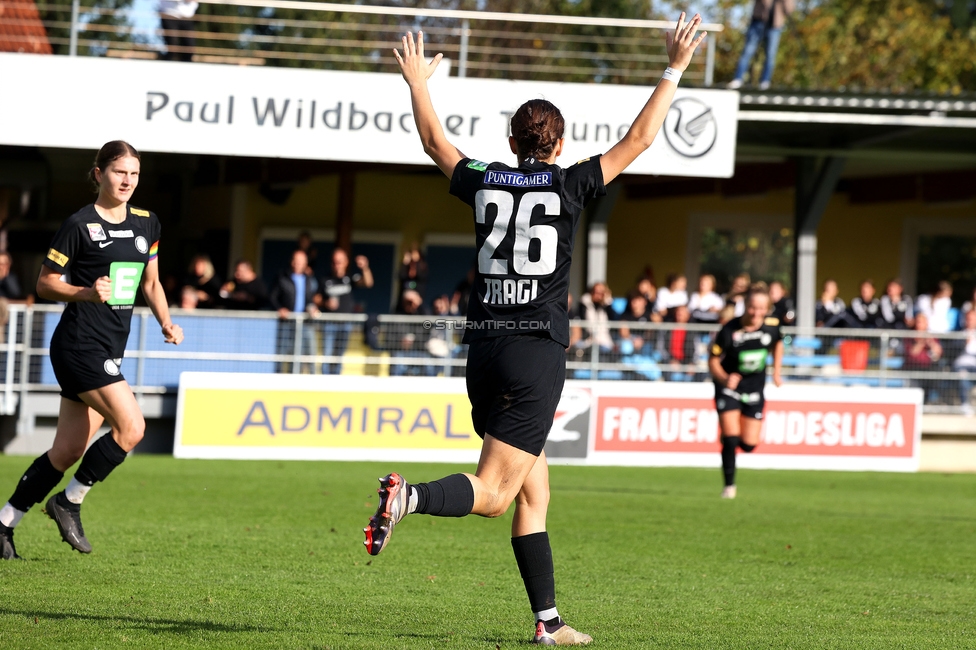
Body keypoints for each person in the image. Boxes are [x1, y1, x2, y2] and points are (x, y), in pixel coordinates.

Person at [363, 17, 706, 646]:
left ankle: (548, 623)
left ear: (512, 140)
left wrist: (416, 81)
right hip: (535, 353)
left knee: (532, 492)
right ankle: (406, 497)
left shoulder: (488, 179)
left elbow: (435, 142)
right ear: (559, 143)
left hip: (484, 349)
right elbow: (641, 138)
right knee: (495, 493)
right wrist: (675, 66)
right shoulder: (571, 183)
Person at [0, 141, 184, 560]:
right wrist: (85, 291)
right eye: (120, 172)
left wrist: (166, 322)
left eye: (134, 174)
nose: (127, 181)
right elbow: (45, 284)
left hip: (108, 347)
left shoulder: (147, 223)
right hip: (78, 344)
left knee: (67, 450)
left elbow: (151, 283)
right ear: (99, 172)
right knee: (132, 427)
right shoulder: (79, 224)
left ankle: (4, 521)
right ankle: (69, 502)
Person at [709, 283, 783, 500]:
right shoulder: (729, 330)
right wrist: (725, 378)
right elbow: (712, 360)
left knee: (749, 445)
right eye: (752, 308)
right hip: (729, 388)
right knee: (731, 438)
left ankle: (731, 442)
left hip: (755, 389)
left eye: (761, 308)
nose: (756, 313)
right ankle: (729, 486)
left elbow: (778, 344)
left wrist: (777, 372)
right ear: (745, 306)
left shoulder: (771, 326)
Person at [318, 248, 373, 374]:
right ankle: (324, 381)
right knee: (327, 354)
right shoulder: (325, 279)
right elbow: (316, 298)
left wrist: (365, 268)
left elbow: (368, 283)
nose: (337, 265)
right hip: (329, 324)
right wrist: (325, 303)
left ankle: (336, 379)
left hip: (345, 324)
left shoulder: (350, 278)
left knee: (339, 355)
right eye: (335, 262)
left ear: (346, 262)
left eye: (340, 262)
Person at [727, 0, 796, 91]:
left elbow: (789, 10)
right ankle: (738, 79)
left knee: (770, 55)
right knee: (748, 51)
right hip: (758, 21)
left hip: (774, 26)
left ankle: (765, 82)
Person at [269, 249, 319, 373]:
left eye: (301, 261)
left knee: (301, 352)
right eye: (296, 261)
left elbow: (309, 299)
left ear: (305, 263)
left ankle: (295, 378)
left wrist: (312, 308)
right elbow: (272, 297)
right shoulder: (282, 277)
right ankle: (278, 378)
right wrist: (279, 308)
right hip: (286, 322)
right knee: (282, 352)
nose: (298, 264)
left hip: (304, 322)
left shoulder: (308, 279)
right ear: (291, 261)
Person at [953, 309, 976, 416]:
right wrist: (964, 342)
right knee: (962, 377)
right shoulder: (959, 333)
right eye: (968, 318)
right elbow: (951, 350)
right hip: (962, 364)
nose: (970, 321)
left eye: (972, 318)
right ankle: (965, 404)